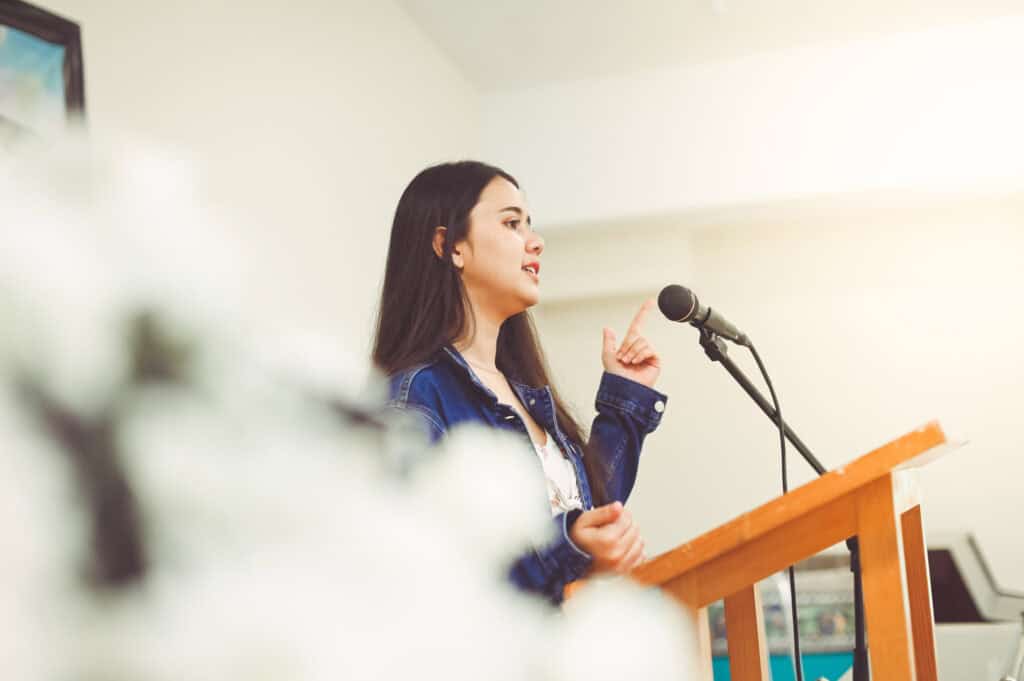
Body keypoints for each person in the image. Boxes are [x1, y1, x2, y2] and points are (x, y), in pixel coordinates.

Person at [372, 160, 668, 605]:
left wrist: (626, 397)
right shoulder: (416, 398)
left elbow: (588, 515)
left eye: (530, 224)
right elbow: (428, 569)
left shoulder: (524, 392)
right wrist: (567, 547)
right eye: (512, 223)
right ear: (450, 245)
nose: (536, 241)